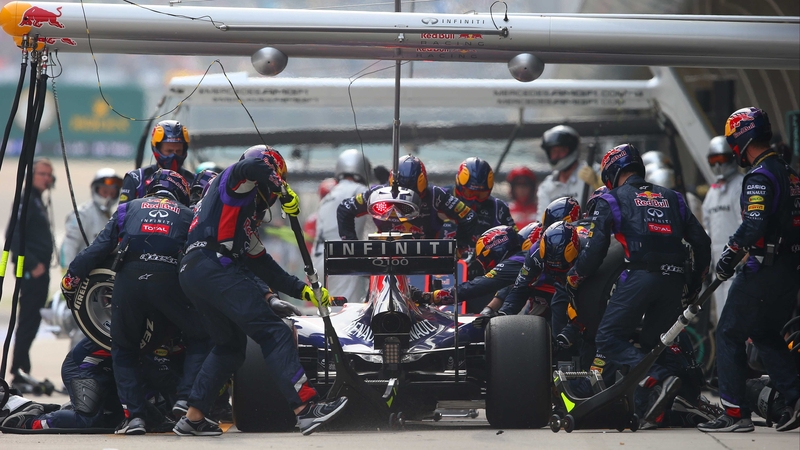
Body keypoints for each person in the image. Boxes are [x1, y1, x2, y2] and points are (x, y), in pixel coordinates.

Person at [177, 145, 347, 437]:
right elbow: (252, 166)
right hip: (215, 266)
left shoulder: (238, 218)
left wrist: (303, 291)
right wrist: (282, 189)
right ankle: (305, 409)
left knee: (229, 347)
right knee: (275, 333)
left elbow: (263, 265)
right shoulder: (234, 180)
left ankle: (192, 418)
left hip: (193, 271)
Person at [565, 143, 711, 429]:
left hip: (641, 276)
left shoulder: (612, 199)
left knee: (609, 338)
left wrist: (575, 275)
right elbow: (702, 244)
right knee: (656, 344)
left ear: (611, 172)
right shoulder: (674, 198)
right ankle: (656, 406)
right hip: (676, 280)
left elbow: (594, 253)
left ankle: (658, 377)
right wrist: (693, 284)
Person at [60, 169, 210, 435]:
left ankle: (135, 417)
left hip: (128, 283)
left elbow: (97, 250)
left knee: (124, 349)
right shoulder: (190, 214)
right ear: (181, 193)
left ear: (152, 190)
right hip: (169, 283)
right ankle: (186, 399)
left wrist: (70, 280)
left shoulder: (127, 208)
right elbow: (201, 260)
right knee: (200, 336)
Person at [698, 107, 800, 433]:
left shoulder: (759, 176)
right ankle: (796, 399)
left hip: (763, 268)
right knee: (766, 333)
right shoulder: (790, 172)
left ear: (742, 139)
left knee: (729, 332)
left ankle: (733, 414)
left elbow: (754, 223)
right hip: (790, 269)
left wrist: (732, 251)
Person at [338, 154, 478, 248]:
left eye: (414, 196)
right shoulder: (377, 194)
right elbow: (345, 208)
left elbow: (468, 215)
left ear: (423, 188)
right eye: (400, 199)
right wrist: (352, 247)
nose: (405, 203)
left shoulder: (436, 195)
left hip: (426, 262)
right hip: (386, 259)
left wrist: (460, 248)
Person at [8, 158, 55, 393]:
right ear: (32, 175)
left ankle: (22, 368)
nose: (47, 178)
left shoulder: (37, 200)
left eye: (50, 174)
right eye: (43, 174)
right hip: (29, 272)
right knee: (27, 319)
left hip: (38, 272)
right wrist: (33, 265)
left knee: (32, 319)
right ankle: (17, 371)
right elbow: (13, 235)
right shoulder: (26, 199)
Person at [419, 223, 540, 311]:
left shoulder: (516, 261)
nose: (487, 266)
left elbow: (477, 286)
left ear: (497, 249)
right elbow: (508, 290)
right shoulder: (520, 262)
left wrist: (431, 296)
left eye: (487, 260)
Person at [312, 149, 374, 302]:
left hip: (318, 259)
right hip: (340, 259)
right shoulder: (358, 190)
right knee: (345, 313)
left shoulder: (329, 195)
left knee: (328, 311)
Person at [700, 136, 743, 323]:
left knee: (736, 319)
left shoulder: (741, 185)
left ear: (732, 157)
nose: (717, 166)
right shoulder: (712, 192)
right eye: (712, 161)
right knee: (721, 320)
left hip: (739, 266)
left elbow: (747, 226)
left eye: (721, 160)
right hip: (717, 270)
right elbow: (707, 229)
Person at [119, 120, 194, 204]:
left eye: (178, 151)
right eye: (169, 151)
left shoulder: (194, 182)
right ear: (156, 149)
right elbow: (122, 214)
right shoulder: (136, 179)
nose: (174, 156)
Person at [60, 168, 123, 268]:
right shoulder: (82, 214)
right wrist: (67, 276)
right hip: (81, 274)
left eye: (112, 193)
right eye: (105, 192)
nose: (108, 197)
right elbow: (68, 246)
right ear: (95, 190)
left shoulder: (113, 215)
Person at [537, 125, 602, 216]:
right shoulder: (546, 186)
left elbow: (616, 200)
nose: (556, 155)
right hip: (558, 230)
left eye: (561, 150)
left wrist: (598, 184)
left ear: (572, 149)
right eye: (553, 151)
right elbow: (541, 222)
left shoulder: (593, 171)